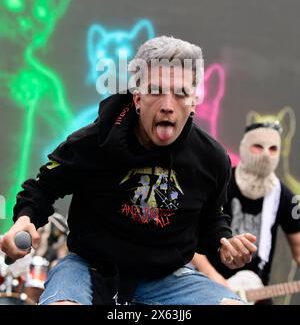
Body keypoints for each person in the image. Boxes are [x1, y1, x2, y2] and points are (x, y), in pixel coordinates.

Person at [0, 36, 257, 305]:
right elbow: (42, 189)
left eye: (180, 93)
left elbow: (211, 222)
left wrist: (223, 243)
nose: (168, 105)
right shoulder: (92, 142)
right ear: (137, 97)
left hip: (168, 279)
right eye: (156, 91)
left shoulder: (212, 159)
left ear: (194, 101)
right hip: (89, 268)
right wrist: (25, 218)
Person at [192, 121, 300, 303]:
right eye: (258, 146)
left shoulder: (284, 196)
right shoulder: (220, 182)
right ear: (244, 148)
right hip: (209, 285)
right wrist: (214, 278)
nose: (266, 154)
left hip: (257, 293)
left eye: (273, 148)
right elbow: (188, 240)